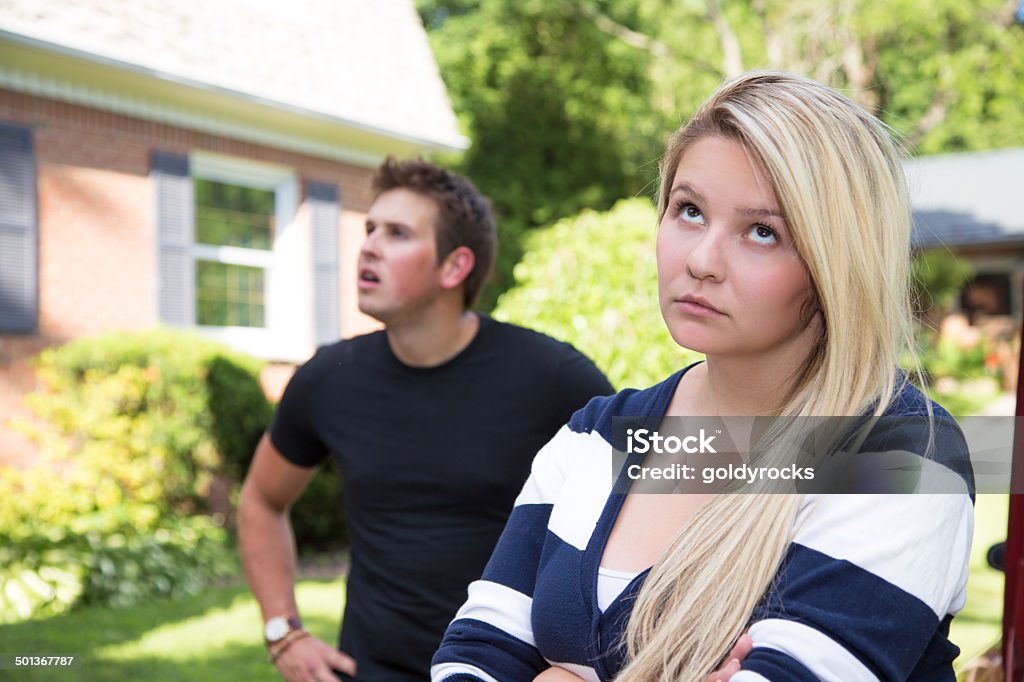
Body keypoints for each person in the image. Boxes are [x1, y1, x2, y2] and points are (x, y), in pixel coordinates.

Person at [431, 71, 974, 681]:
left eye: (762, 231)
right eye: (689, 211)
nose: (700, 260)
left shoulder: (901, 456)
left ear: (836, 263)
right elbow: (475, 654)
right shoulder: (598, 437)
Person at [238, 158, 614, 682]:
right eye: (370, 229)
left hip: (507, 671)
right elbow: (261, 500)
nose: (368, 245)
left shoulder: (551, 376)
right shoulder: (329, 378)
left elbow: (658, 489)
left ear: (454, 267)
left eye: (397, 233)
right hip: (370, 670)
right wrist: (284, 632)